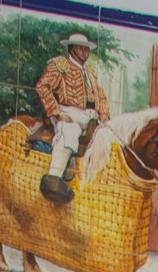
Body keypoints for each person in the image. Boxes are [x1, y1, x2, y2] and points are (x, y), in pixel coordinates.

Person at [34, 32, 111, 202]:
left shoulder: (90, 71)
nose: (84, 52)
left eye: (86, 49)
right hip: (68, 113)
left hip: (91, 117)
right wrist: (56, 113)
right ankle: (54, 178)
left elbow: (101, 95)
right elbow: (42, 86)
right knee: (69, 133)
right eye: (80, 48)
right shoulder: (60, 65)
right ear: (72, 49)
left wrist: (104, 113)